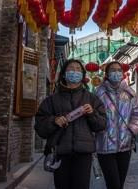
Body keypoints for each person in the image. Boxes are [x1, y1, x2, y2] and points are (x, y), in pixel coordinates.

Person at [34, 59, 107, 189]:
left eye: (78, 69)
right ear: (63, 74)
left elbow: (101, 125)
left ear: (83, 75)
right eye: (71, 69)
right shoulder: (51, 100)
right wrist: (54, 121)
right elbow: (40, 128)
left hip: (84, 154)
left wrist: (91, 114)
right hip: (60, 152)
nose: (75, 72)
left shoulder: (91, 98)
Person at [95, 61, 138, 189]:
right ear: (107, 74)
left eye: (118, 70)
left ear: (122, 73)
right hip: (105, 146)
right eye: (112, 70)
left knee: (120, 184)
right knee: (114, 185)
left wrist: (132, 130)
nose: (116, 72)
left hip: (125, 146)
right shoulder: (99, 93)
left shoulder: (129, 93)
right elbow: (93, 117)